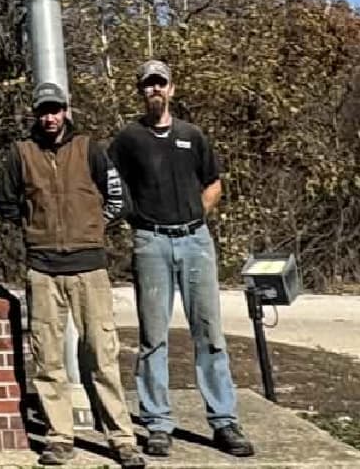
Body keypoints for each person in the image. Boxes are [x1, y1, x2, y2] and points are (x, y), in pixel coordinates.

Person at [108, 62, 254, 460]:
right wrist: (135, 222)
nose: (155, 90)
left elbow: (214, 183)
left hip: (195, 241)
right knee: (153, 337)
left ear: (172, 89)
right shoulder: (128, 140)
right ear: (141, 91)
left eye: (161, 83)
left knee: (209, 333)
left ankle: (224, 420)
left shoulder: (192, 135)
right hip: (151, 243)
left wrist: (195, 216)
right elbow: (111, 187)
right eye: (148, 85)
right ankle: (157, 423)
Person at [0, 83, 143, 469]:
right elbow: (6, 204)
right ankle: (60, 437)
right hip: (43, 270)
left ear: (66, 110)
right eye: (44, 110)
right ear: (36, 114)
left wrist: (93, 230)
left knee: (101, 353)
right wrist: (34, 231)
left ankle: (121, 438)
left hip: (90, 267)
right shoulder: (21, 153)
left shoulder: (90, 149)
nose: (50, 117)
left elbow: (118, 198)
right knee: (47, 359)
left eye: (56, 109)